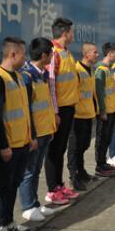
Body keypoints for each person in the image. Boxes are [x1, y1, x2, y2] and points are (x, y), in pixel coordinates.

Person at [0, 37, 35, 231]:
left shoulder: (18, 77)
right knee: (3, 185)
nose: (25, 58)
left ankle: (9, 222)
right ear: (13, 54)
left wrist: (31, 136)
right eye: (23, 54)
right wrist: (3, 146)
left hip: (22, 142)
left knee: (14, 183)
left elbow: (25, 111)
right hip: (9, 145)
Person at [18, 38, 57, 222]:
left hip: (44, 131)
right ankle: (27, 206)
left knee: (36, 169)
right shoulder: (27, 76)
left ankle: (34, 203)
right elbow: (26, 108)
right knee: (29, 170)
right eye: (51, 53)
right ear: (44, 55)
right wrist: (31, 135)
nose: (52, 56)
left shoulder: (41, 74)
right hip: (35, 134)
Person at [45, 17, 80, 204]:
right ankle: (52, 189)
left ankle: (59, 185)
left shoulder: (66, 52)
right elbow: (51, 84)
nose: (73, 35)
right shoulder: (53, 53)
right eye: (71, 32)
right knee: (54, 149)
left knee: (61, 149)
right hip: (59, 110)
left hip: (68, 107)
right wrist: (55, 112)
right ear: (65, 33)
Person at [67, 42, 99, 190]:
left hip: (88, 113)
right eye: (95, 52)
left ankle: (81, 170)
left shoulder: (90, 70)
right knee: (75, 147)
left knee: (84, 144)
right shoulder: (77, 70)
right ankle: (74, 176)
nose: (97, 55)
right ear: (86, 55)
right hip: (78, 115)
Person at [94, 42, 115, 176]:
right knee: (101, 139)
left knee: (107, 138)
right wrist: (102, 110)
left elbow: (112, 91)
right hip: (105, 112)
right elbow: (99, 92)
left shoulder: (108, 69)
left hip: (111, 110)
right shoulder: (100, 70)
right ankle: (99, 165)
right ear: (110, 54)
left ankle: (103, 163)